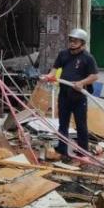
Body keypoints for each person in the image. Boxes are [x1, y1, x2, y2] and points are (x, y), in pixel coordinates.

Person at [41, 28, 99, 162]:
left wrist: (81, 82)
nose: (72, 43)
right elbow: (54, 70)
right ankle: (62, 150)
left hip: (79, 97)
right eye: (71, 40)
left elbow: (95, 76)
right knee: (63, 125)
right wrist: (48, 76)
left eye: (76, 41)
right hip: (64, 95)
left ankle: (83, 152)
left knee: (81, 125)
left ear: (82, 43)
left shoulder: (87, 58)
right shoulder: (63, 54)